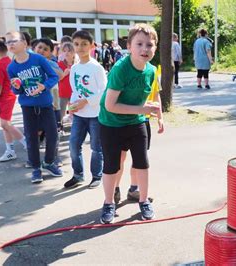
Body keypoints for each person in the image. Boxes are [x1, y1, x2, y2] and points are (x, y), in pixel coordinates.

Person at [98, 23, 162, 223]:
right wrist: (142, 110)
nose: (145, 49)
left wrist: (160, 116)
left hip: (136, 121)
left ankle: (143, 200)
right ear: (129, 46)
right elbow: (110, 105)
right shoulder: (120, 69)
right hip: (111, 122)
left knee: (142, 162)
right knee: (112, 165)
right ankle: (109, 203)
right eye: (140, 44)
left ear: (155, 48)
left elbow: (155, 95)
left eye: (149, 45)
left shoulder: (151, 70)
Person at [6, 31, 62, 183]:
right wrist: (16, 87)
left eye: (14, 41)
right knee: (31, 139)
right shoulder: (11, 68)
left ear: (24, 43)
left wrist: (44, 86)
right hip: (28, 108)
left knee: (53, 136)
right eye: (7, 42)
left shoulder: (38, 59)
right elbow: (16, 90)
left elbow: (54, 76)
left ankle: (49, 162)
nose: (10, 44)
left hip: (45, 105)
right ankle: (36, 169)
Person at [63, 30, 106, 189]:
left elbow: (104, 92)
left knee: (96, 147)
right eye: (76, 44)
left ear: (92, 46)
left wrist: (86, 101)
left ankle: (97, 176)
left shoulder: (97, 68)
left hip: (95, 115)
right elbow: (75, 91)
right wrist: (72, 107)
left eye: (84, 44)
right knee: (74, 145)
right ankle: (78, 175)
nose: (80, 47)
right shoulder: (74, 68)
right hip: (79, 115)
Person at [0, 36, 27, 162]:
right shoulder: (10, 61)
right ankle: (10, 150)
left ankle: (27, 143)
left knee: (5, 124)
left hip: (4, 98)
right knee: (4, 125)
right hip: (9, 96)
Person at [57, 42, 75, 130]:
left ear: (73, 52)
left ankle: (75, 126)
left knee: (74, 110)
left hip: (74, 93)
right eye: (64, 51)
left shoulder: (77, 64)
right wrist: (64, 74)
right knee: (61, 111)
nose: (67, 53)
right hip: (63, 92)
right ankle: (60, 127)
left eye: (69, 51)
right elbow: (57, 79)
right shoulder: (60, 64)